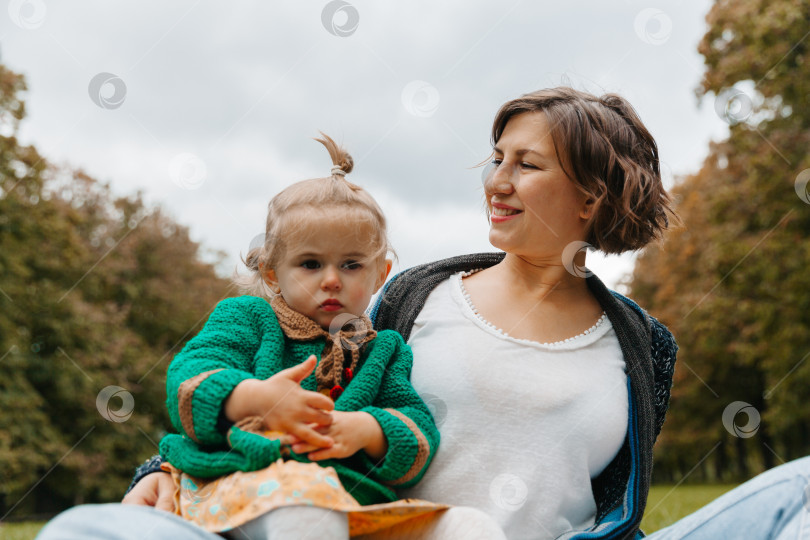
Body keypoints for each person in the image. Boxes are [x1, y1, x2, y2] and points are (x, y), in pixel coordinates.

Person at [36, 88, 810, 540]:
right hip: (377, 530)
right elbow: (272, 380)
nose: (496, 180)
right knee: (82, 531)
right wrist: (160, 469)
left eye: (527, 164)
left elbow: (615, 503)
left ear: (592, 197)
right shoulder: (408, 299)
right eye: (496, 157)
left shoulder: (642, 345)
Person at [121, 133, 449, 539]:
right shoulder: (247, 317)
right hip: (235, 483)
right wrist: (255, 398)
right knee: (306, 514)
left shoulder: (382, 349)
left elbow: (418, 431)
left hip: (346, 500)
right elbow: (188, 381)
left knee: (462, 526)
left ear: (380, 273)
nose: (331, 280)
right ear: (273, 272)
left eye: (351, 264)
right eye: (310, 264)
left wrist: (367, 429)